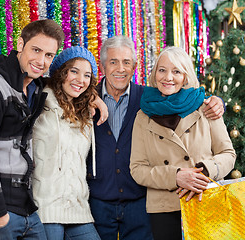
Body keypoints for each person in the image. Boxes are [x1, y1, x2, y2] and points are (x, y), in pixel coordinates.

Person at [86, 36, 225, 240]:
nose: (120, 68)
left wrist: (217, 101)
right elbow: (55, 86)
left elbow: (182, 98)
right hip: (99, 199)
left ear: (134, 66)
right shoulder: (86, 97)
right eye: (113, 62)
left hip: (139, 201)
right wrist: (88, 94)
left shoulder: (148, 99)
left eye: (126, 63)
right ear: (102, 65)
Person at [0, 19, 64, 240]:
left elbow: (72, 88)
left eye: (49, 55)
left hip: (24, 207)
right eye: (36, 50)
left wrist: (96, 99)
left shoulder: (35, 88)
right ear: (20, 44)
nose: (41, 60)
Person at [129, 46, 236, 240]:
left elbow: (228, 154)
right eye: (162, 70)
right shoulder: (142, 116)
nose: (168, 77)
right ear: (155, 74)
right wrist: (176, 177)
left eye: (176, 71)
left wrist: (204, 171)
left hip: (205, 196)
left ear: (185, 76)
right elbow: (137, 169)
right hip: (163, 208)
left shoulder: (206, 107)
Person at [31, 46, 101, 240]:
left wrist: (96, 99)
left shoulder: (86, 113)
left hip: (79, 209)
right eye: (74, 71)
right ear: (61, 72)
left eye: (87, 75)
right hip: (45, 208)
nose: (80, 80)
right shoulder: (38, 102)